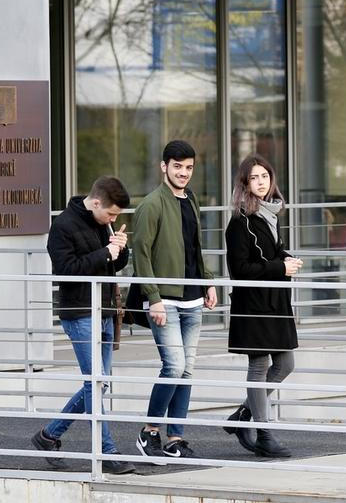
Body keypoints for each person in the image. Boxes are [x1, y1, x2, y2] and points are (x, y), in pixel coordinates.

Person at [32, 176, 136, 474]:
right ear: (96, 202)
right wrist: (105, 253)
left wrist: (120, 249)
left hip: (104, 310)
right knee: (95, 382)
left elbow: (112, 265)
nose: (113, 219)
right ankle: (106, 451)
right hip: (79, 312)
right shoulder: (63, 226)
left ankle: (49, 435)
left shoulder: (102, 223)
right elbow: (66, 271)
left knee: (99, 382)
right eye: (111, 214)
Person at [131, 140, 217, 461]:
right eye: (177, 166)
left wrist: (207, 281)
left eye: (189, 167)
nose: (183, 173)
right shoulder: (151, 204)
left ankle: (175, 438)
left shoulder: (191, 199)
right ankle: (149, 431)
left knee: (187, 370)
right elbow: (140, 254)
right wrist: (153, 298)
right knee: (174, 366)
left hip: (192, 298)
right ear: (163, 166)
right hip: (163, 300)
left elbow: (195, 247)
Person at [222, 154, 301, 458]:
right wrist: (280, 267)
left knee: (285, 364)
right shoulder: (239, 222)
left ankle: (244, 414)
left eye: (265, 176)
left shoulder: (270, 214)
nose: (260, 182)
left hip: (275, 302)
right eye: (254, 178)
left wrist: (286, 258)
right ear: (244, 183)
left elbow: (271, 252)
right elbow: (240, 269)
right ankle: (264, 434)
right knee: (259, 366)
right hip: (253, 305)